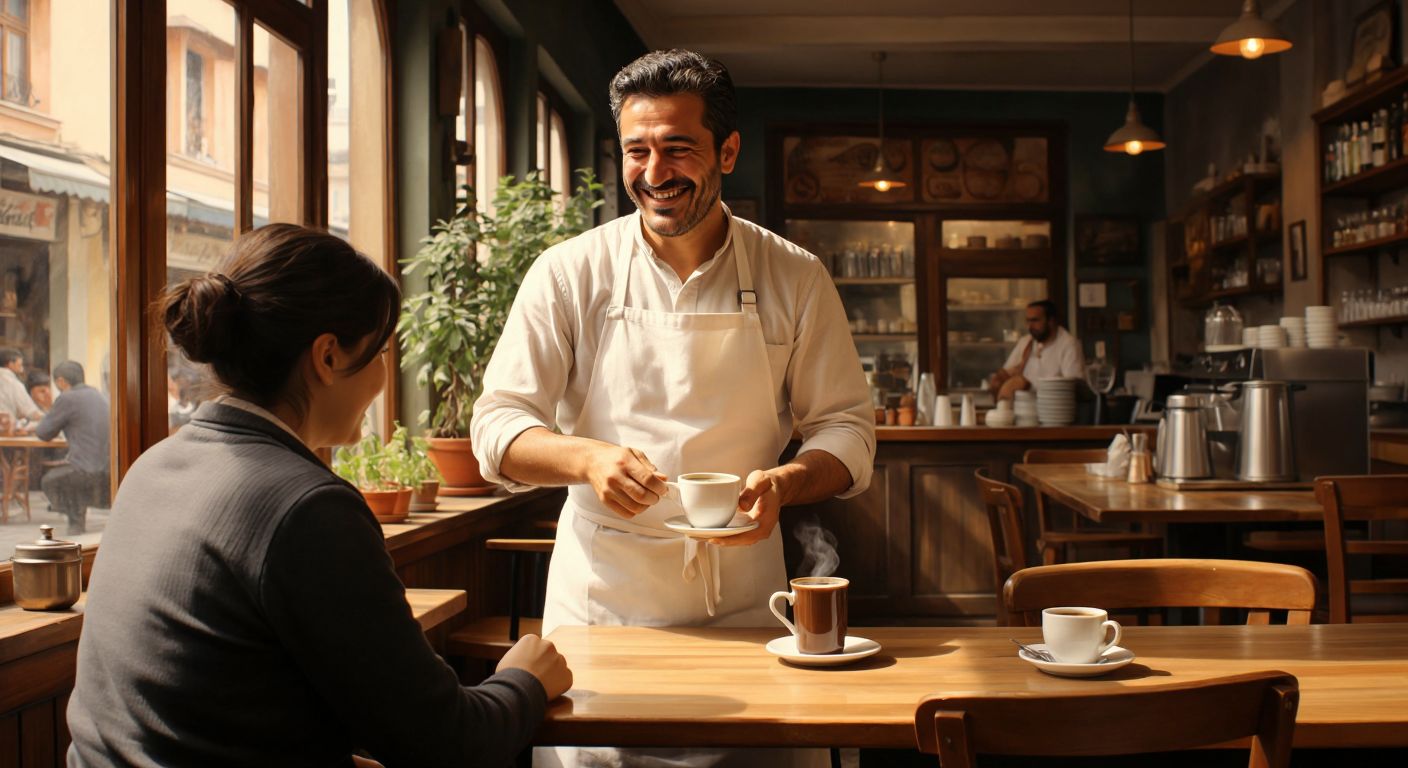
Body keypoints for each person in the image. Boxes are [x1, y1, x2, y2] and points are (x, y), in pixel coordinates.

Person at [471, 50, 875, 767]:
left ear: (727, 150)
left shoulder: (794, 275)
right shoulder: (570, 273)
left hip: (748, 601)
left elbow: (846, 428)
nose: (654, 172)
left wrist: (786, 483)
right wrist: (586, 457)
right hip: (605, 602)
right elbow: (496, 429)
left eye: (677, 149)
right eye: (637, 150)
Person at [68, 224, 571, 767]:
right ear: (327, 357)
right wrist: (525, 677)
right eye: (380, 350)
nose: (384, 373)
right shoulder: (306, 507)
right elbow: (448, 743)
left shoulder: (154, 465)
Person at [34, 362, 110, 534]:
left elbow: (43, 432)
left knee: (49, 480)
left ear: (61, 381)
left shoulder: (67, 398)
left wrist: (49, 409)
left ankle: (76, 521)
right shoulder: (98, 394)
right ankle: (77, 514)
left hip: (87, 471)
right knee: (70, 470)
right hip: (107, 469)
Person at [987, 299, 1086, 401]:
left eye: (1035, 320)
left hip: (1054, 410)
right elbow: (1007, 373)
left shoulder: (1069, 344)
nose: (1030, 326)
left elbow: (1075, 387)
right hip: (1025, 410)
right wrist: (999, 380)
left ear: (1051, 321)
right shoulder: (1026, 342)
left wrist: (1029, 385)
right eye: (1028, 321)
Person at [0, 347, 45, 425]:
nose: (22, 368)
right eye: (20, 365)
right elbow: (30, 411)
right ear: (10, 364)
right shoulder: (13, 384)